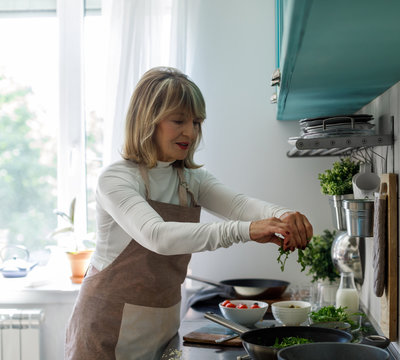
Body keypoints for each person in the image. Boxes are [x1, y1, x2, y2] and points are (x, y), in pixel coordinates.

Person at [65, 66, 313, 359]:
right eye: (179, 120)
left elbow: (239, 205)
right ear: (149, 121)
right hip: (106, 327)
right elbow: (157, 236)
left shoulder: (190, 179)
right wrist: (246, 230)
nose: (191, 132)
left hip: (163, 323)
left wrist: (285, 216)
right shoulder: (116, 179)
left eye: (196, 122)